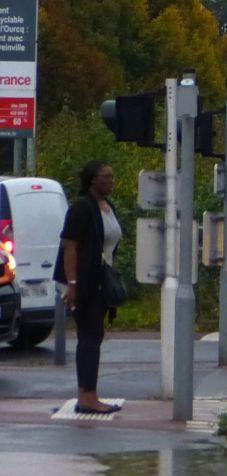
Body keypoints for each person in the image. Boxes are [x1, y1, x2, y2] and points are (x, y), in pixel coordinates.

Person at [57, 161, 124, 416]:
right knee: (89, 336)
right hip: (83, 282)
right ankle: (86, 396)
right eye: (107, 176)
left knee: (94, 335)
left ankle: (89, 394)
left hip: (99, 279)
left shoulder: (107, 207)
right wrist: (72, 284)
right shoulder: (82, 207)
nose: (112, 181)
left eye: (112, 176)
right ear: (93, 180)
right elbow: (69, 246)